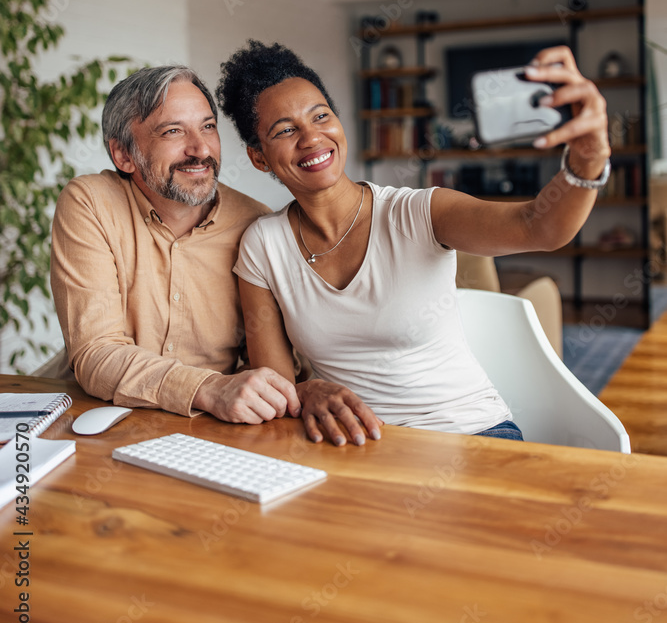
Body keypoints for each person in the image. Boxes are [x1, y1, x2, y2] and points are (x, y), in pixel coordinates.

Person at [217, 40, 611, 447]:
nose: (312, 137)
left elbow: (538, 227)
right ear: (259, 157)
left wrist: (590, 155)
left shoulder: (419, 213)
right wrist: (307, 389)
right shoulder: (263, 245)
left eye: (321, 116)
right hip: (357, 445)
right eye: (285, 130)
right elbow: (278, 386)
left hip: (472, 436)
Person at [50, 65, 301, 423]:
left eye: (208, 127)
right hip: (95, 414)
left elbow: (268, 364)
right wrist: (210, 389)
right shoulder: (91, 202)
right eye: (172, 131)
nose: (200, 149)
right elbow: (96, 353)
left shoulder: (256, 224)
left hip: (215, 425)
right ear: (123, 155)